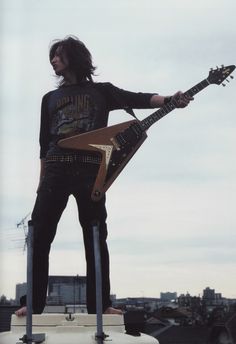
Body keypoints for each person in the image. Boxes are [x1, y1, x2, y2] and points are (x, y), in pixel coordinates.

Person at [16, 36, 193, 317]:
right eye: (52, 57)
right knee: (39, 235)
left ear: (74, 57)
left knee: (96, 235)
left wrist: (171, 100)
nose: (53, 61)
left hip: (91, 171)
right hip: (55, 170)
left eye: (58, 55)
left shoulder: (102, 92)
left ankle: (100, 305)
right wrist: (41, 180)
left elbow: (140, 98)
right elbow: (43, 143)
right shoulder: (49, 99)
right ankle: (33, 304)